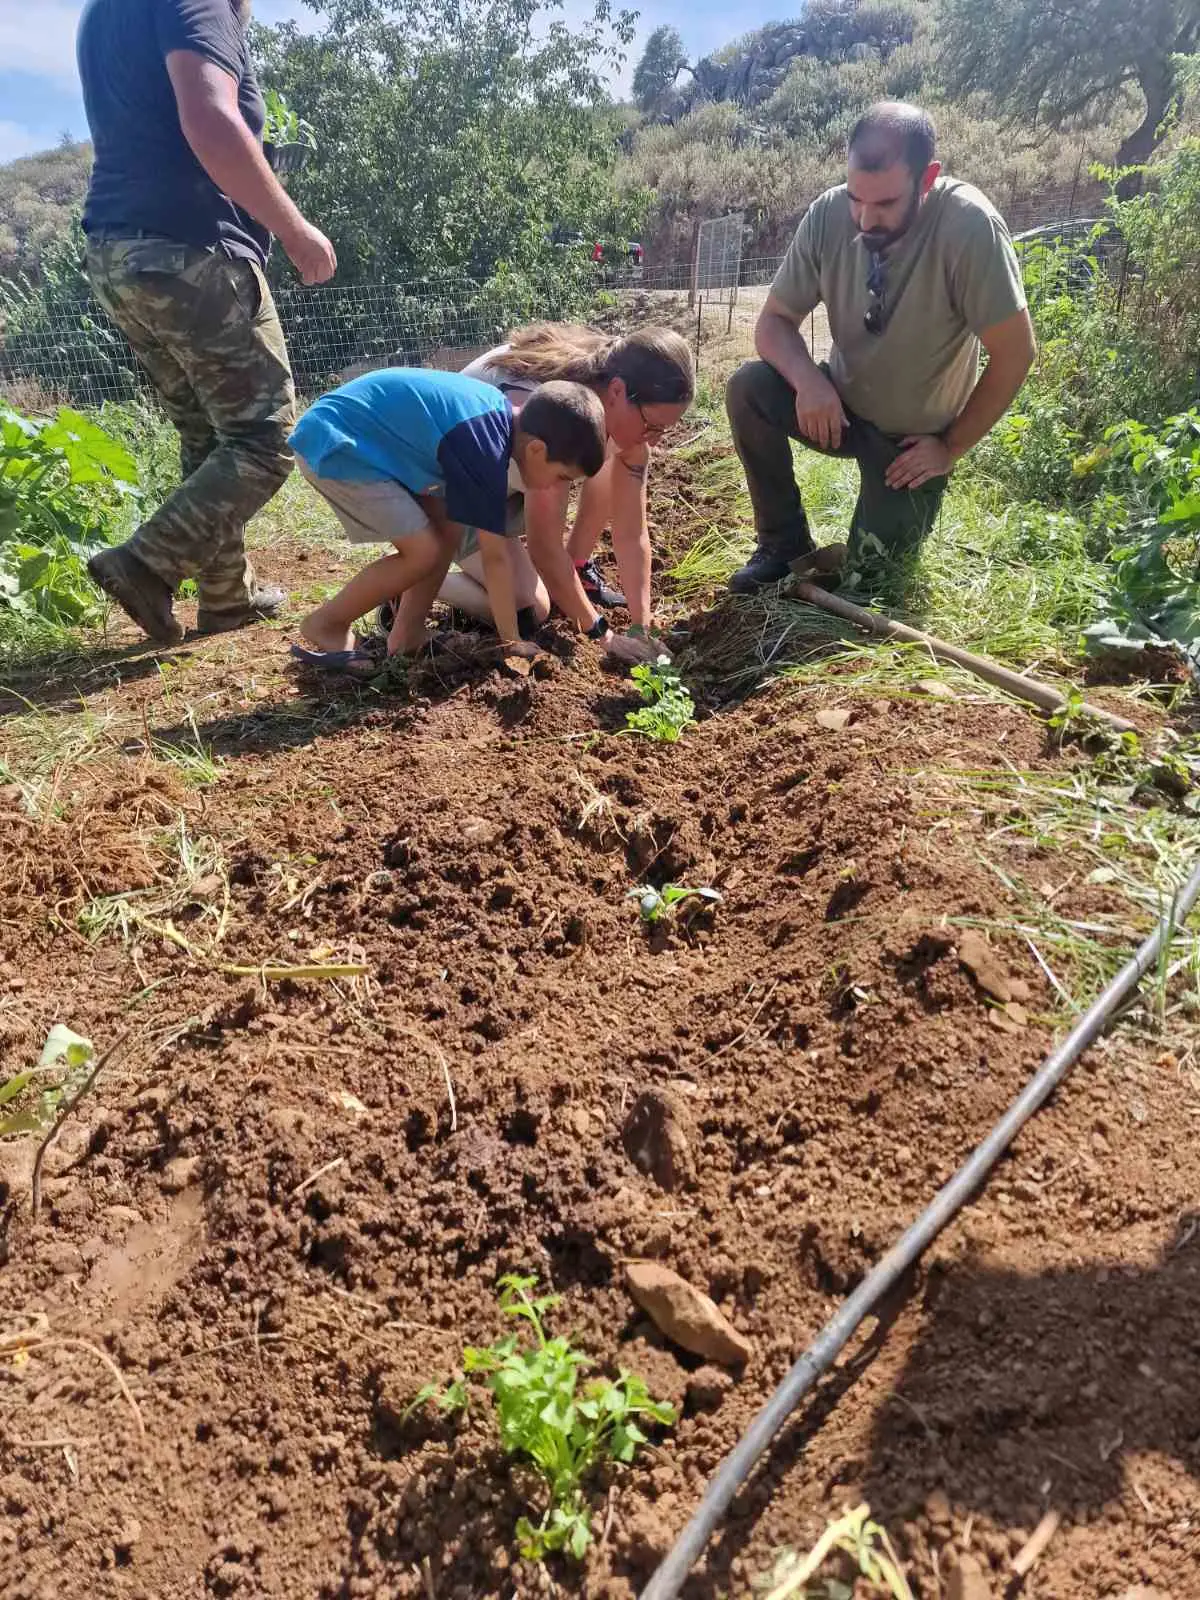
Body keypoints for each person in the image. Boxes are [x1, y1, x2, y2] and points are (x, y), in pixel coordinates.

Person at [76, 0, 337, 645]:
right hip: (193, 250)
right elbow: (211, 118)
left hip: (118, 254)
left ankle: (227, 597)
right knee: (267, 438)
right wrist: (294, 230)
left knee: (209, 434)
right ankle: (146, 563)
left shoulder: (105, 12)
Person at [726, 101, 1036, 593]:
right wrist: (809, 383)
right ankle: (781, 544)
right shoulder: (829, 215)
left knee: (869, 585)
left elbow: (1016, 353)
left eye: (886, 204)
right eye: (856, 198)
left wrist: (950, 448)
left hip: (910, 449)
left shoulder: (970, 228)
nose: (866, 219)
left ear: (927, 178)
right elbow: (773, 325)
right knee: (749, 388)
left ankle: (872, 551)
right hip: (841, 411)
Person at [385, 324, 695, 667]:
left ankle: (573, 573)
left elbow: (631, 532)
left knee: (615, 460)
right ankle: (415, 582)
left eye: (665, 430)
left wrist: (641, 628)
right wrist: (605, 636)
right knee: (531, 608)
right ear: (618, 392)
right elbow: (546, 551)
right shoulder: (560, 422)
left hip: (499, 484)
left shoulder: (605, 387)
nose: (654, 440)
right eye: (652, 426)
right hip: (441, 487)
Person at [288, 369, 608, 673]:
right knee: (423, 552)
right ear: (537, 449)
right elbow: (495, 560)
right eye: (562, 477)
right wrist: (512, 641)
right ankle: (327, 624)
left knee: (447, 529)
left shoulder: (497, 423)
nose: (556, 487)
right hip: (340, 444)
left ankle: (407, 635)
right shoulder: (486, 451)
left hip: (363, 440)